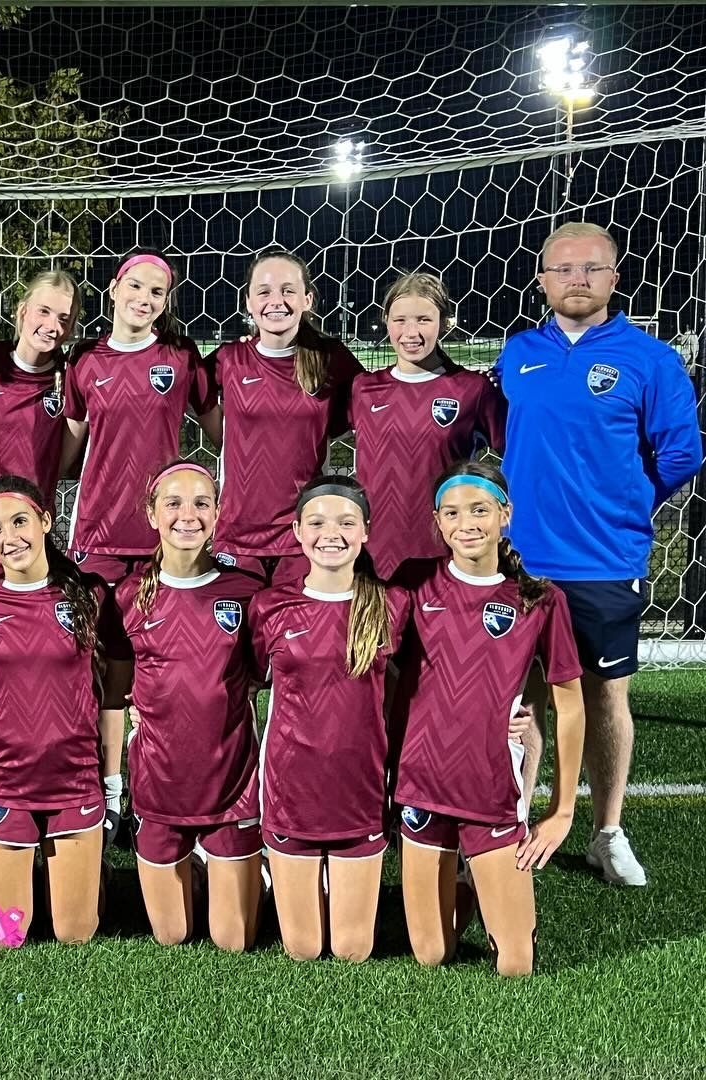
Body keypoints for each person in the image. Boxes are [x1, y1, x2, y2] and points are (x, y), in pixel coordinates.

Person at [495, 222, 703, 885]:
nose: (576, 279)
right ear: (542, 281)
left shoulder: (651, 359)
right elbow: (501, 435)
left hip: (606, 562)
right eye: (562, 269)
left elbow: (682, 453)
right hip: (520, 561)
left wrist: (624, 506)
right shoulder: (518, 352)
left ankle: (606, 832)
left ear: (615, 277)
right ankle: (513, 824)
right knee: (519, 697)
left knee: (604, 697)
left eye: (590, 268)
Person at [393, 462, 585, 976]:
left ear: (505, 514)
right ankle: (458, 876)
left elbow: (570, 702)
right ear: (437, 522)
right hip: (421, 784)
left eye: (480, 510)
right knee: (432, 955)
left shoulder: (540, 599)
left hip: (492, 787)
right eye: (452, 513)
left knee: (516, 965)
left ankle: (482, 877)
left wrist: (562, 810)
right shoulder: (415, 580)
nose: (467, 524)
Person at [0, 476, 126, 946]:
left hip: (75, 780)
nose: (11, 539)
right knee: (4, 937)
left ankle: (89, 867)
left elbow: (111, 696)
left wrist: (111, 785)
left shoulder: (90, 596)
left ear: (46, 521)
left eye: (21, 521)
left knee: (75, 934)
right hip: (3, 780)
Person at [249, 475, 409, 962]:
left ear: (366, 531)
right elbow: (249, 682)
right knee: (302, 950)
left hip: (358, 794)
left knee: (351, 951)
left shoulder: (392, 605)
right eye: (316, 523)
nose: (331, 534)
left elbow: (429, 682)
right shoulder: (269, 606)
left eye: (345, 522)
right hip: (290, 792)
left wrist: (508, 712)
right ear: (297, 532)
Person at [114, 462, 267, 950]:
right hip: (161, 783)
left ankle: (252, 868)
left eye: (201, 502)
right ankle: (193, 865)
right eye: (173, 503)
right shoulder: (127, 596)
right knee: (172, 936)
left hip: (232, 785)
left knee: (233, 940)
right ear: (151, 514)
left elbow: (269, 672)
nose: (188, 514)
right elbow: (116, 689)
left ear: (219, 513)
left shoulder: (245, 592)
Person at [200, 250, 364, 582]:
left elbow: (372, 406)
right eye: (264, 291)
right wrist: (224, 437)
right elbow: (187, 394)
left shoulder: (331, 358)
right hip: (237, 536)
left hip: (304, 536)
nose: (277, 301)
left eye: (288, 290)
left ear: (307, 299)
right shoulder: (230, 359)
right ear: (248, 302)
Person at [60, 250, 212, 586]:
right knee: (92, 635)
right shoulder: (84, 359)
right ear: (113, 288)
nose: (144, 298)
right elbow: (66, 453)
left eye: (156, 292)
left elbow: (226, 436)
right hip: (96, 528)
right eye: (135, 285)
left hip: (164, 528)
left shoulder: (180, 355)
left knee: (156, 636)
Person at [350, 273, 506, 578]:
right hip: (372, 551)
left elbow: (518, 450)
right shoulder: (363, 387)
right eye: (400, 320)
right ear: (386, 321)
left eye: (423, 319)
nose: (411, 332)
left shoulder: (471, 388)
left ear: (445, 322)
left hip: (447, 549)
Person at [0, 270, 81, 584]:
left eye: (64, 318)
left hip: (30, 532)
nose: (52, 326)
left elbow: (64, 458)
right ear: (22, 311)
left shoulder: (71, 375)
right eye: (44, 312)